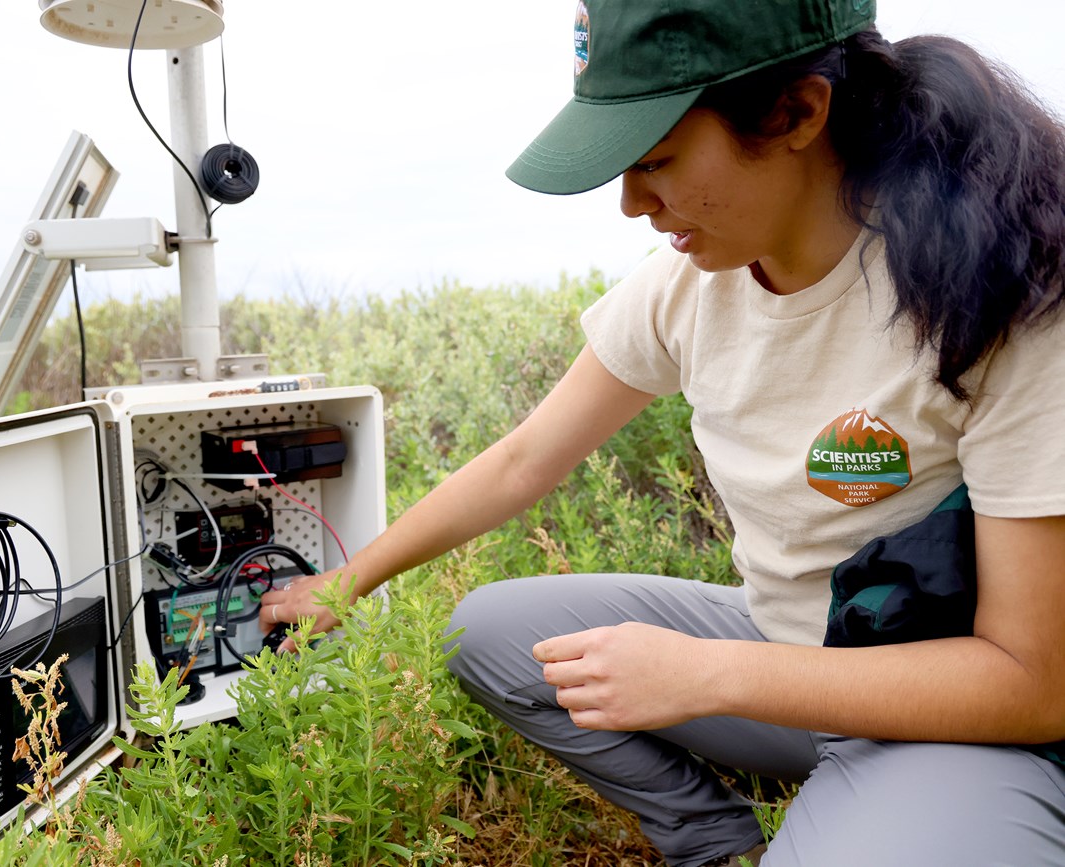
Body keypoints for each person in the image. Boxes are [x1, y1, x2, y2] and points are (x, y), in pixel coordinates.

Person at [259, 0, 1065, 863]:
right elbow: (525, 459)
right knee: (487, 631)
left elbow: (1034, 682)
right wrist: (349, 582)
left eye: (657, 161)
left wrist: (707, 673)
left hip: (954, 716)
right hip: (788, 658)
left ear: (797, 112)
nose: (632, 203)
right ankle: (710, 836)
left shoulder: (998, 298)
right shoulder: (689, 286)